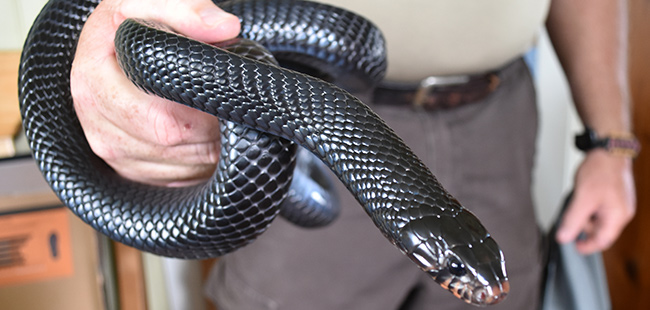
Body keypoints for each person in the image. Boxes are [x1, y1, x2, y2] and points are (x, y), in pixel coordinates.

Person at [70, 0, 636, 309]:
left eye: (459, 269)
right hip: (279, 105)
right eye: (455, 269)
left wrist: (612, 143)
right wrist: (116, 22)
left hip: (499, 116)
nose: (487, 287)